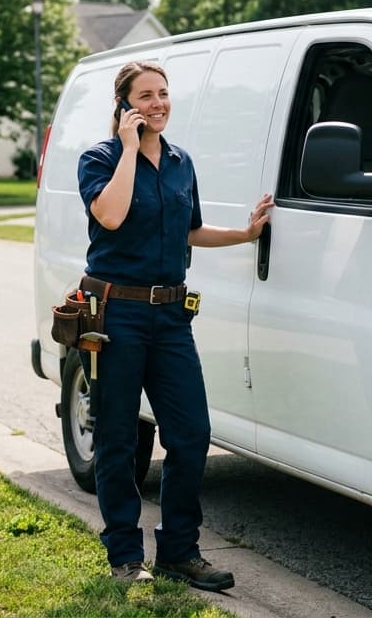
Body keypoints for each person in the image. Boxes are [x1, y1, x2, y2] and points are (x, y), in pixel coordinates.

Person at [77, 60, 272, 589]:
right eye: (145, 96)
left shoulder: (182, 162)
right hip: (116, 315)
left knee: (191, 434)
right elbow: (111, 215)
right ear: (123, 104)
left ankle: (179, 551)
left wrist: (245, 234)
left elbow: (190, 231)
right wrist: (127, 148)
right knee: (118, 438)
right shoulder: (98, 159)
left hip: (170, 317)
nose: (158, 103)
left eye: (163, 94)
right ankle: (124, 557)